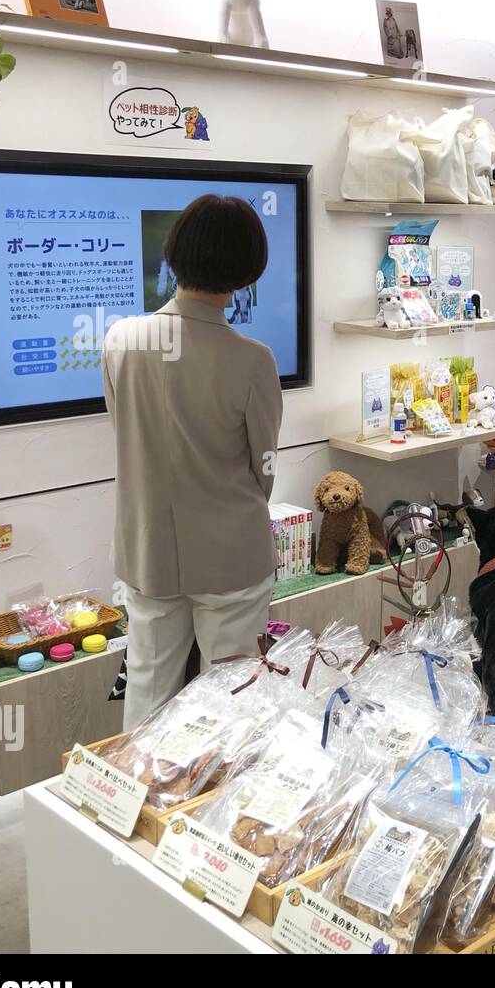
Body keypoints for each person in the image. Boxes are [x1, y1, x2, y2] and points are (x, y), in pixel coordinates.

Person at [104, 195, 283, 729]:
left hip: (147, 548)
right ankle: (216, 809)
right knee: (232, 702)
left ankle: (141, 805)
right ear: (246, 270)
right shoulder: (252, 359)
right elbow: (264, 468)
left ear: (175, 254)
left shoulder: (120, 341)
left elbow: (128, 435)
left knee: (147, 690)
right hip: (231, 553)